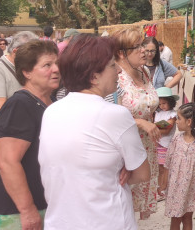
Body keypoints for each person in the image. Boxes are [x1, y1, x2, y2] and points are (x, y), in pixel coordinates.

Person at [39, 34, 150, 229]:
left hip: (60, 221)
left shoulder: (51, 111)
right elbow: (142, 173)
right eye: (112, 65)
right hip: (106, 220)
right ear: (94, 76)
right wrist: (123, 170)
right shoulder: (115, 115)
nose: (117, 70)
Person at [0, 40, 59, 229]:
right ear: (27, 72)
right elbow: (7, 162)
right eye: (47, 65)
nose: (56, 69)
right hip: (13, 209)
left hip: (43, 201)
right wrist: (27, 210)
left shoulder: (51, 100)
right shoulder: (20, 105)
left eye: (57, 63)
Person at [0, 32, 39, 185]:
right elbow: (0, 110)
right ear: (17, 52)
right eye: (35, 55)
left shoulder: (27, 71)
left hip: (26, 147)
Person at [113, 28, 162, 219]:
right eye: (138, 47)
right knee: (123, 209)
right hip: (125, 152)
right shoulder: (117, 76)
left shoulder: (143, 72)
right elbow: (109, 116)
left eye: (143, 45)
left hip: (147, 148)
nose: (144, 50)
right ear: (121, 53)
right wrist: (140, 122)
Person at [164, 102, 195, 230]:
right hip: (175, 188)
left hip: (191, 190)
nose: (176, 121)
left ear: (189, 122)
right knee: (175, 218)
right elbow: (168, 163)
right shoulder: (176, 140)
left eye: (179, 118)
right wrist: (163, 183)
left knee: (187, 217)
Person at [154, 87, 178, 199]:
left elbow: (168, 127)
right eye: (160, 104)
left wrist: (154, 128)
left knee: (165, 167)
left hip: (166, 145)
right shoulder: (157, 114)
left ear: (170, 102)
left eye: (164, 103)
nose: (162, 106)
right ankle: (160, 187)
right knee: (159, 167)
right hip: (158, 144)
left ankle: (164, 188)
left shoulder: (172, 114)